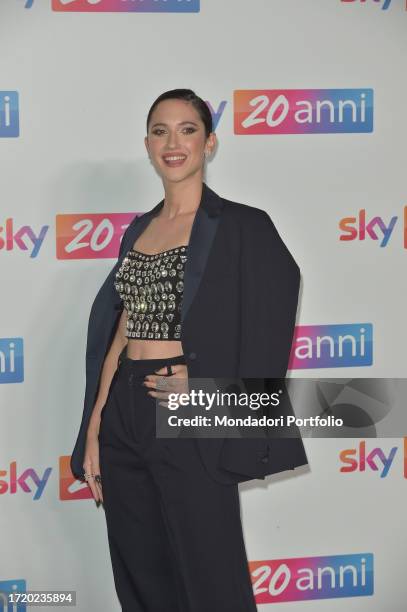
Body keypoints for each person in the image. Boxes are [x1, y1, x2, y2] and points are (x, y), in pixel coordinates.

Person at [71, 88, 307, 611]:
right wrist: (94, 426)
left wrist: (219, 396)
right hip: (123, 412)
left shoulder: (244, 226)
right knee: (141, 572)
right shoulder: (139, 229)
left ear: (209, 143)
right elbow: (122, 329)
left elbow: (270, 322)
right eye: (160, 131)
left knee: (210, 571)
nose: (172, 142)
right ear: (148, 145)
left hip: (189, 405)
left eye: (186, 129)